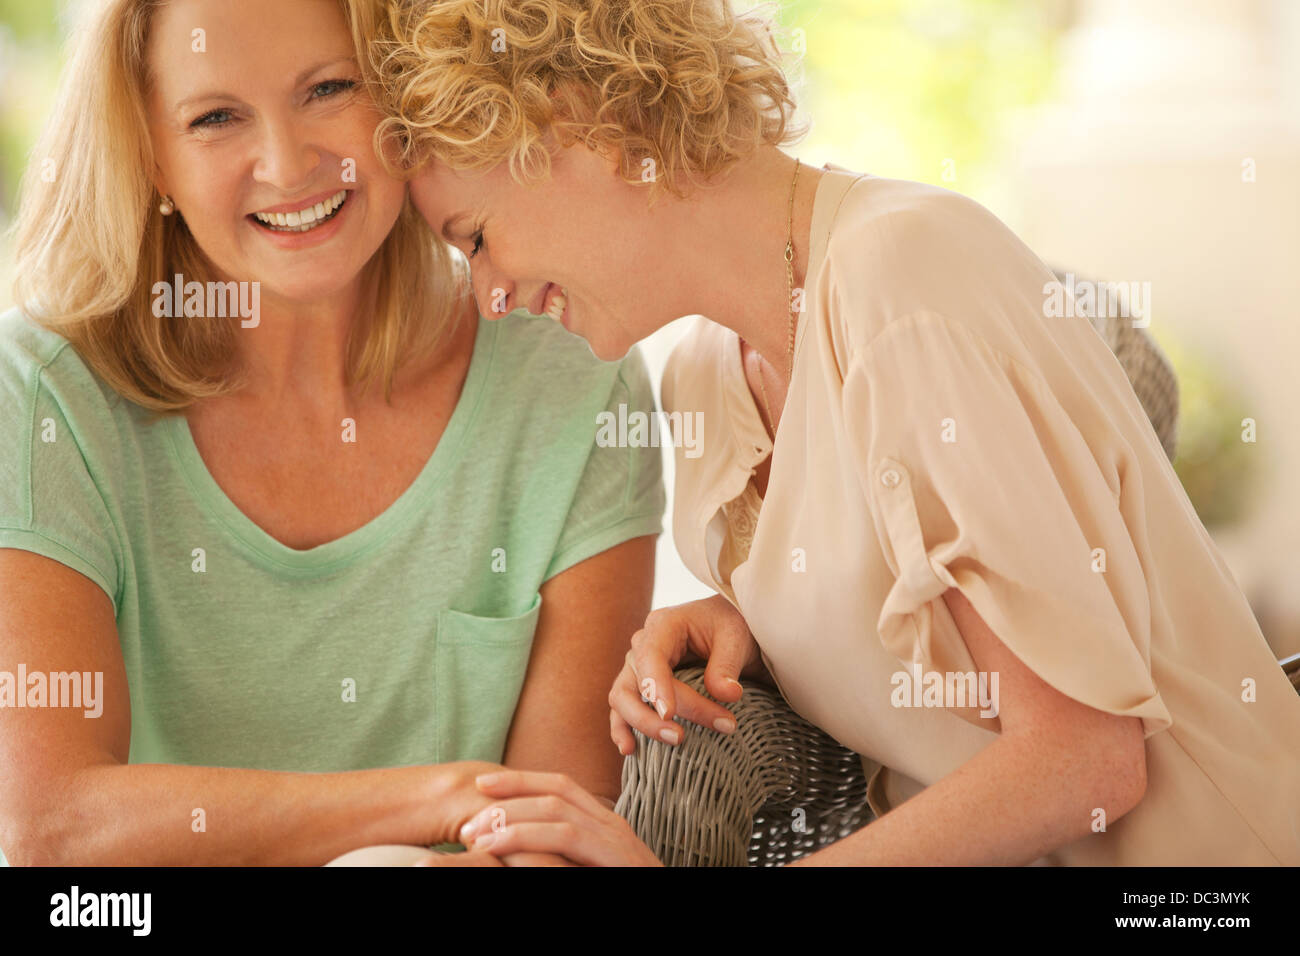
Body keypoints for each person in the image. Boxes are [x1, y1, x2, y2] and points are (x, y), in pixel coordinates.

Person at [361, 0, 1300, 865]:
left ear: (579, 126)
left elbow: (1087, 761)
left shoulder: (904, 281)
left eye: (476, 237)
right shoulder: (707, 372)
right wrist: (750, 632)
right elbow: (937, 637)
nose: (487, 299)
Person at [0, 0, 664, 867]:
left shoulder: (571, 370)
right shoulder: (46, 394)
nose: (287, 163)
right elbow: (51, 827)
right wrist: (434, 799)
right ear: (152, 157)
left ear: (403, 95)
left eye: (328, 88)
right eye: (215, 117)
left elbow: (558, 833)